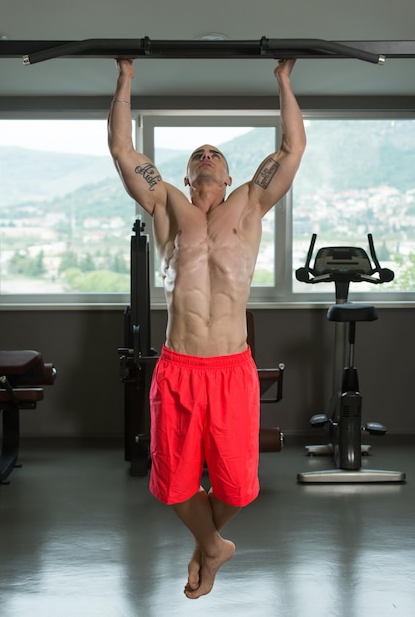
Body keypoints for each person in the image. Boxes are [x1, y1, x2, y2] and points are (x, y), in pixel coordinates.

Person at [108, 58, 306, 600]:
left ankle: (207, 546)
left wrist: (283, 82)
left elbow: (291, 152)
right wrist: (125, 79)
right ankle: (213, 546)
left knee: (238, 489)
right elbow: (124, 152)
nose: (204, 153)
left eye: (214, 153)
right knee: (172, 487)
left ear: (228, 172)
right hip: (179, 367)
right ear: (189, 173)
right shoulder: (166, 205)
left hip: (231, 368)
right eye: (196, 153)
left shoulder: (249, 204)